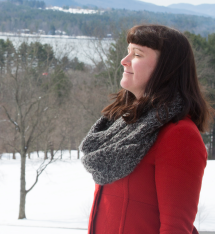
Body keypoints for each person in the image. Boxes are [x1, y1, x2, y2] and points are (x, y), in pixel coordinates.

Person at [80, 25, 210, 234]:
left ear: (166, 69)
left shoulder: (178, 135)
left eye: (137, 54)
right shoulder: (122, 125)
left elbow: (175, 229)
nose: (124, 60)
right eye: (128, 51)